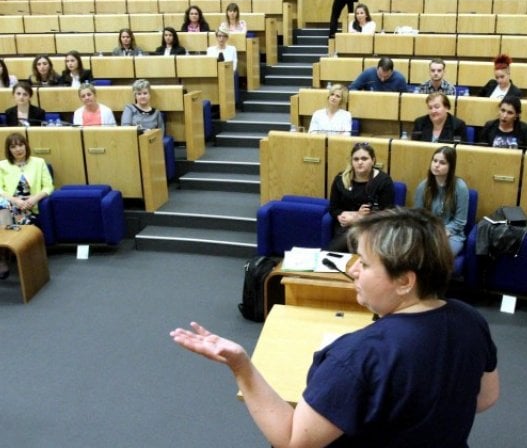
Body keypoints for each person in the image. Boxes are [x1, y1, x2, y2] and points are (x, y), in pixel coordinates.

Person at [171, 207, 499, 447]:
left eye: (366, 264)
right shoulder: (471, 320)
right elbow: (485, 399)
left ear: (404, 281)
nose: (354, 270)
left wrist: (241, 365)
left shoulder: (358, 355)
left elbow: (291, 441)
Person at [0, 132, 54, 276]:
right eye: (13, 147)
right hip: (10, 202)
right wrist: (15, 200)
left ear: (26, 146)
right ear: (9, 150)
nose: (18, 149)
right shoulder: (2, 166)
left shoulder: (38, 162)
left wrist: (34, 199)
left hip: (30, 204)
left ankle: (7, 255)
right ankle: (6, 256)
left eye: (20, 145)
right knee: (4, 207)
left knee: (5, 214)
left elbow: (48, 187)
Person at [327, 142, 395, 252]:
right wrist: (340, 216)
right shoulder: (340, 179)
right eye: (356, 159)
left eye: (364, 159)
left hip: (372, 227)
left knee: (352, 240)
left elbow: (388, 214)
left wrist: (358, 218)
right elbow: (333, 208)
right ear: (351, 162)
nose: (360, 162)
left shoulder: (383, 181)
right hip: (345, 225)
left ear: (373, 160)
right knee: (346, 239)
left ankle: (329, 255)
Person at [414, 146, 469, 256]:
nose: (436, 165)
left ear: (451, 166)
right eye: (434, 161)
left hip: (452, 235)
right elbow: (418, 216)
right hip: (428, 232)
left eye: (442, 163)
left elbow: (460, 222)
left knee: (435, 256)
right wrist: (428, 232)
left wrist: (441, 232)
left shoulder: (460, 187)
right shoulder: (423, 186)